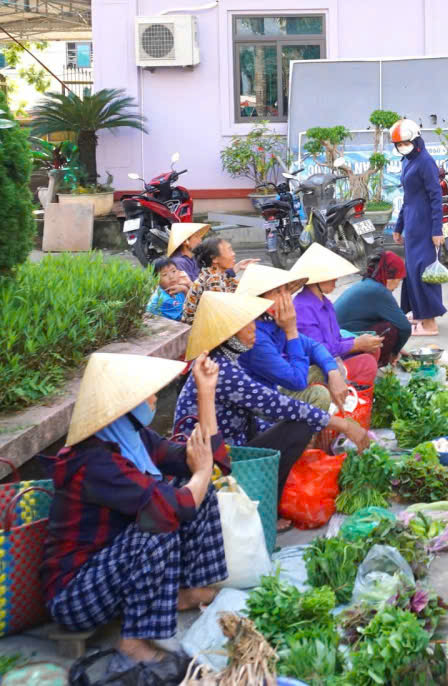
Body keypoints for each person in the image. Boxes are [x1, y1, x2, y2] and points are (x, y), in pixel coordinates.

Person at [44, 352, 227, 668]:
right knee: (161, 519)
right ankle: (133, 642)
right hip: (76, 595)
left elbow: (207, 461)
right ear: (125, 406)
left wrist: (206, 392)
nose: (154, 399)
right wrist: (202, 470)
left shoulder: (134, 438)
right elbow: (173, 507)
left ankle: (188, 591)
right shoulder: (94, 461)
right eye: (149, 394)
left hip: (115, 569)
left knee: (196, 486)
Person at [172, 292, 370, 504]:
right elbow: (277, 404)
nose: (253, 328)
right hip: (217, 459)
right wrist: (344, 425)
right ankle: (270, 504)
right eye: (247, 324)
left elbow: (311, 348)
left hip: (236, 440)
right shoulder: (221, 369)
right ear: (229, 334)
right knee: (300, 426)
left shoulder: (229, 357)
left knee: (297, 423)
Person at [234, 263, 343, 413]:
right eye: (278, 292)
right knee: (319, 395)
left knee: (325, 368)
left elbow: (314, 346)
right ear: (260, 300)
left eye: (285, 290)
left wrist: (333, 372)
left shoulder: (272, 321)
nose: (286, 297)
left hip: (276, 386)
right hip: (260, 406)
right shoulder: (254, 336)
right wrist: (291, 331)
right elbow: (297, 381)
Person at [291, 244, 392, 386]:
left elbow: (336, 339)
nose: (336, 279)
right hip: (316, 367)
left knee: (373, 350)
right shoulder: (302, 307)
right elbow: (317, 351)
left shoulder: (325, 302)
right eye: (332, 276)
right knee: (367, 363)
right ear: (318, 279)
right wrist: (355, 344)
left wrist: (360, 341)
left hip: (333, 356)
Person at [390, 118, 446, 336]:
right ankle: (419, 313)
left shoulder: (425, 162)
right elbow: (408, 198)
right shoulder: (406, 161)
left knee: (424, 272)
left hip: (426, 226)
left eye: (406, 142)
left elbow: (436, 197)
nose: (402, 146)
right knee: (412, 272)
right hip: (412, 226)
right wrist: (398, 226)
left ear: (416, 140)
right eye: (399, 144)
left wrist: (437, 230)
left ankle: (430, 323)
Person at [334, 251, 414, 366]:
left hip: (339, 335)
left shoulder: (369, 284)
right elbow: (405, 327)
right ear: (390, 277)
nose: (398, 285)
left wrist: (399, 347)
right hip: (343, 340)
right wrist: (394, 352)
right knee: (391, 329)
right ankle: (381, 363)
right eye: (399, 279)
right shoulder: (378, 291)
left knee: (389, 321)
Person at [181, 236, 255, 323]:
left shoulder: (216, 274)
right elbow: (225, 314)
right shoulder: (213, 280)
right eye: (229, 250)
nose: (233, 254)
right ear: (215, 259)